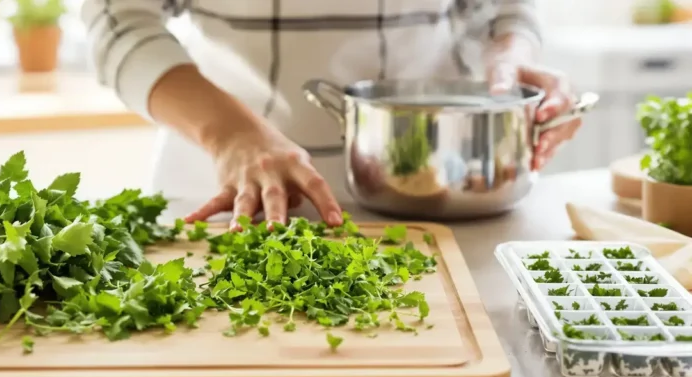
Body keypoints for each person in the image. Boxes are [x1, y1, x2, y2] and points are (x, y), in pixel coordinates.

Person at [81, 0, 582, 230]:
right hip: (231, 202)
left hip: (444, 198)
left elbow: (501, 9)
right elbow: (117, 19)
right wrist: (232, 134)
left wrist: (510, 55)